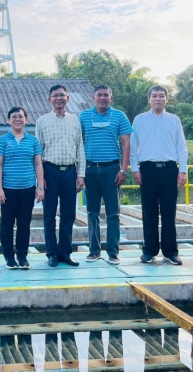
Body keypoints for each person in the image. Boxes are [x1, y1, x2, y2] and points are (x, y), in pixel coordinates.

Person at [130, 85, 188, 266]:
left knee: (169, 212)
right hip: (147, 169)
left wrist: (183, 170)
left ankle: (171, 252)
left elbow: (181, 146)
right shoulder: (139, 120)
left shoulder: (174, 120)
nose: (158, 99)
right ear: (149, 99)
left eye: (161, 96)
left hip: (169, 170)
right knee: (149, 212)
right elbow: (133, 146)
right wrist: (135, 169)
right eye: (154, 96)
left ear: (167, 99)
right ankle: (149, 251)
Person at [79, 86, 132, 265]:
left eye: (106, 95)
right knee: (92, 212)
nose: (102, 98)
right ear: (93, 97)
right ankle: (94, 251)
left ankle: (113, 252)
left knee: (113, 213)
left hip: (112, 169)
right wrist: (80, 171)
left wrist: (123, 170)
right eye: (99, 95)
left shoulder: (119, 116)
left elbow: (126, 144)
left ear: (111, 97)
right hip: (90, 169)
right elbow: (77, 142)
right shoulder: (84, 116)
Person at [36, 84, 86, 267]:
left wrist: (81, 175)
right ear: (49, 99)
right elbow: (38, 152)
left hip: (70, 172)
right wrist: (40, 179)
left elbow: (80, 148)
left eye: (62, 95)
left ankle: (65, 252)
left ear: (67, 98)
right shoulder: (42, 121)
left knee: (68, 214)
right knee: (49, 214)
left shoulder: (75, 120)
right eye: (55, 95)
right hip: (49, 171)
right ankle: (52, 253)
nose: (59, 98)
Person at [0, 106, 45, 270]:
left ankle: (22, 256)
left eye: (21, 116)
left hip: (27, 189)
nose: (17, 119)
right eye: (14, 116)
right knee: (7, 223)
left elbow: (38, 164)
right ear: (8, 120)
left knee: (24, 223)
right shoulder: (2, 140)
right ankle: (9, 256)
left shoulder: (33, 141)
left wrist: (40, 187)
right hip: (8, 189)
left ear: (26, 120)